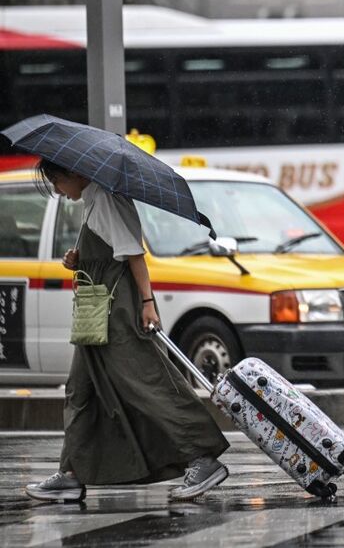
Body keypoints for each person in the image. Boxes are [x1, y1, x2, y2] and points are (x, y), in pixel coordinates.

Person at [24, 160, 230, 503]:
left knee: (148, 383)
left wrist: (147, 303)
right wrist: (80, 260)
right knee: (80, 391)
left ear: (76, 173)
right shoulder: (92, 200)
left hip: (119, 312)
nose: (58, 191)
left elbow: (134, 255)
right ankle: (71, 472)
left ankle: (202, 457)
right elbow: (110, 254)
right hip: (95, 314)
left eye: (58, 182)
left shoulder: (105, 199)